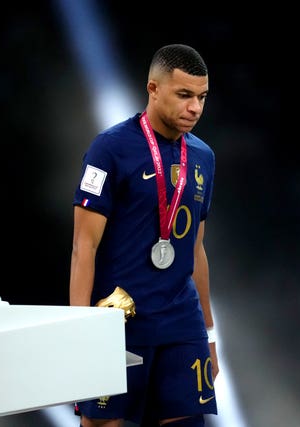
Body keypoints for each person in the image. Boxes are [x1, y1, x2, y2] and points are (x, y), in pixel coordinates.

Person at [69, 43, 219, 426]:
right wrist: (77, 331)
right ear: (152, 88)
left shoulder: (202, 157)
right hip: (119, 320)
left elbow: (197, 250)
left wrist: (209, 332)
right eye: (184, 95)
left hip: (181, 323)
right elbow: (83, 246)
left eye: (201, 97)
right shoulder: (110, 149)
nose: (195, 108)